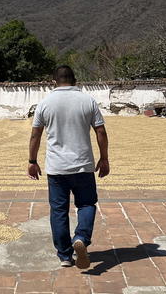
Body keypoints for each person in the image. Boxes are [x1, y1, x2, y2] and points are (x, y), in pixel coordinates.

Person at [28, 65, 109, 269]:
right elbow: (101, 131)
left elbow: (35, 135)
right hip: (83, 166)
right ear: (75, 80)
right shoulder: (87, 101)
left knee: (58, 211)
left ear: (54, 80)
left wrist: (32, 161)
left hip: (56, 168)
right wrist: (104, 158)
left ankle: (65, 255)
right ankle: (80, 237)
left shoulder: (45, 104)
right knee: (87, 204)